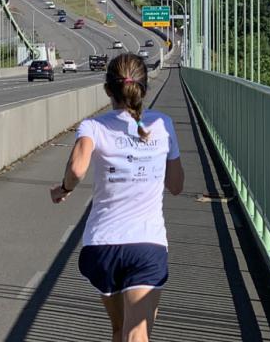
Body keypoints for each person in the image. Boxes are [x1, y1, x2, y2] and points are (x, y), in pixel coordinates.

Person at [50, 53, 184, 342]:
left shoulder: (93, 126)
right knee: (138, 333)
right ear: (144, 88)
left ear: (108, 90)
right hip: (146, 245)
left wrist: (65, 189)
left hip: (101, 247)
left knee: (119, 329)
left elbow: (76, 168)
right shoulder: (163, 124)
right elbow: (176, 185)